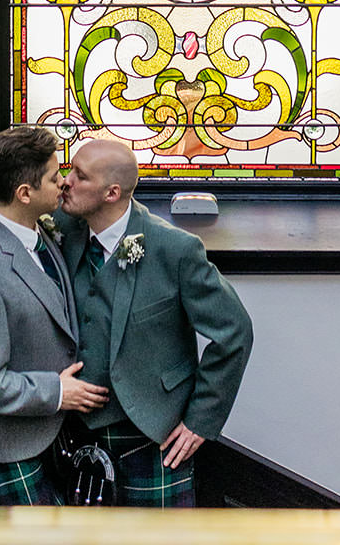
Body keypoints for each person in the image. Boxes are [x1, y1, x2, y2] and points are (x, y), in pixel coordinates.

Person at [56, 136, 253, 507]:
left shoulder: (174, 249)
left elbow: (235, 332)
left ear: (112, 193)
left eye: (79, 176)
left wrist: (200, 421)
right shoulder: (60, 228)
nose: (65, 181)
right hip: (73, 432)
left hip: (152, 436)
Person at [0, 126, 108, 505]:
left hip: (47, 440)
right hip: (5, 451)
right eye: (54, 179)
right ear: (25, 193)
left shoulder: (38, 229)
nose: (64, 184)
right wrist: (57, 392)